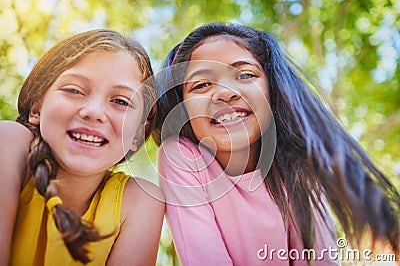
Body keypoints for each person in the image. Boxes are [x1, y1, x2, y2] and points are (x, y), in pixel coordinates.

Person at [152, 22, 400, 265]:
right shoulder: (181, 156)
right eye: (202, 84)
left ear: (272, 94)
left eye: (245, 74)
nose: (226, 92)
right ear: (183, 111)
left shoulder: (296, 166)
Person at [0, 29, 164, 265]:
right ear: (36, 108)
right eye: (74, 90)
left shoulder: (140, 201)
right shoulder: (9, 143)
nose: (94, 112)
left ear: (138, 134)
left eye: (120, 101)